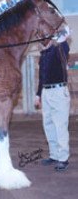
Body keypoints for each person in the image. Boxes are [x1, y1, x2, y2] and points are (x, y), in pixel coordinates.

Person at [35, 37, 70, 171]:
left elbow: (65, 49)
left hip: (58, 90)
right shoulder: (44, 54)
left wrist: (62, 40)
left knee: (60, 124)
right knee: (48, 124)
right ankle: (54, 154)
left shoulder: (59, 49)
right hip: (46, 91)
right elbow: (41, 76)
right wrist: (38, 94)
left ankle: (63, 158)